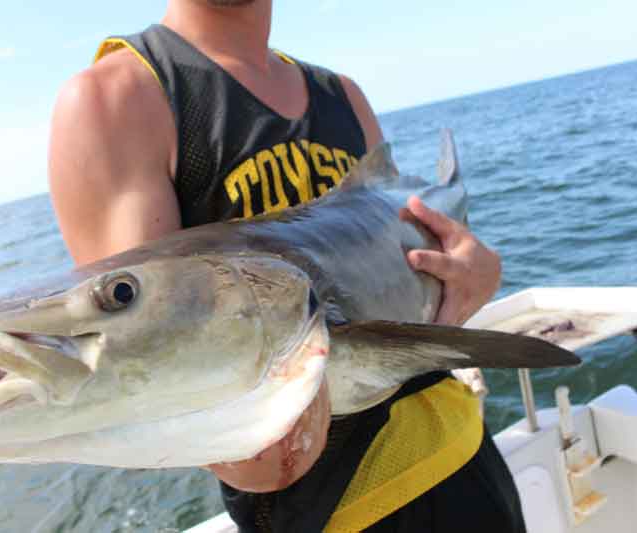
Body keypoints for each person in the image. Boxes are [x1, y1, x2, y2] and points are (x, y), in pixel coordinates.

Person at [48, 1, 521, 531]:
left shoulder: (342, 96)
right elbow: (149, 371)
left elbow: (411, 281)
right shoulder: (114, 99)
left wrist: (473, 277)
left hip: (467, 458)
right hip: (331, 515)